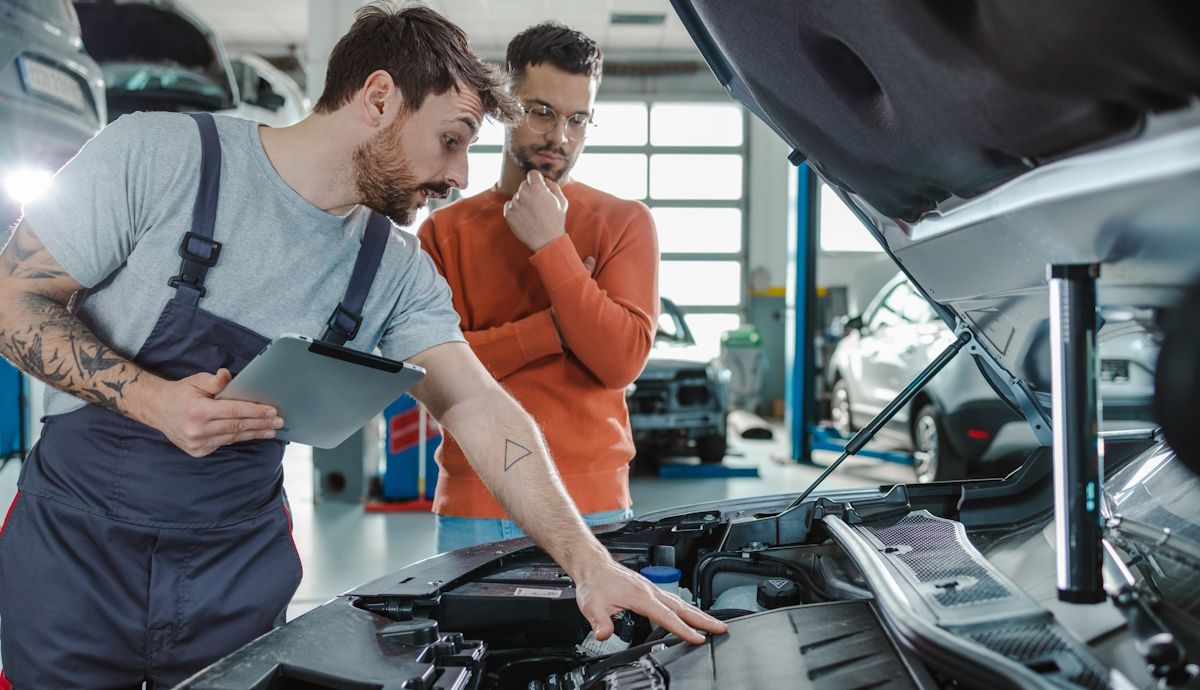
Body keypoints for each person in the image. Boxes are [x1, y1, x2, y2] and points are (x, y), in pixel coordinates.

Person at [0, 4, 724, 688]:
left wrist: (587, 559)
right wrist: (152, 400)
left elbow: (477, 405)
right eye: (451, 139)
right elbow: (10, 298)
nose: (460, 176)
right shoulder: (161, 156)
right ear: (377, 99)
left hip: (232, 568)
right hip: (76, 554)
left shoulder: (393, 268)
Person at [419, 23, 658, 552]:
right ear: (505, 105)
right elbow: (435, 378)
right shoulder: (443, 232)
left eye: (578, 119)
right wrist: (556, 328)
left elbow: (619, 360)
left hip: (595, 507)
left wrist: (551, 244)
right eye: (542, 111)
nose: (560, 137)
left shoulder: (624, 222)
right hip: (475, 505)